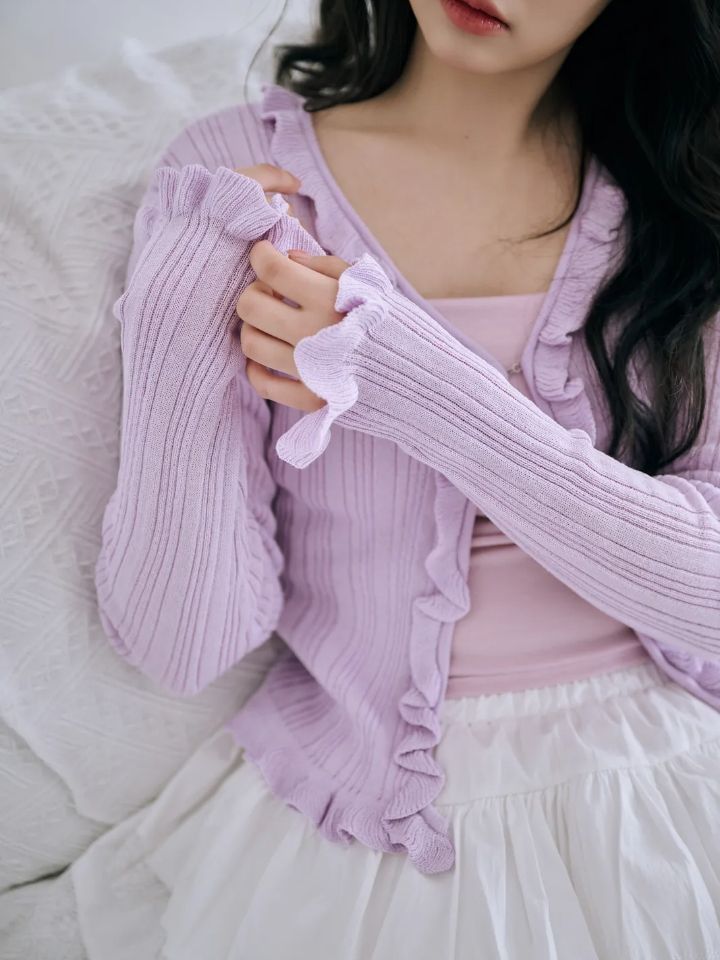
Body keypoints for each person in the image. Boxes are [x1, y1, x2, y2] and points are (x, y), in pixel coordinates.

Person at [70, 0, 720, 956]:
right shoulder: (241, 173)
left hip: (668, 783)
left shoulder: (684, 194)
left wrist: (420, 388)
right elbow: (184, 646)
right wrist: (172, 330)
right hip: (362, 823)